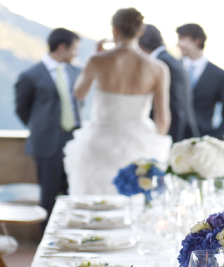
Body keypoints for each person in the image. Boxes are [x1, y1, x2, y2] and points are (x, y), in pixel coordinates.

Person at [63, 8, 172, 195]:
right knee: (136, 200)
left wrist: (95, 57)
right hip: (139, 142)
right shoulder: (158, 68)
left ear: (115, 30)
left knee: (94, 200)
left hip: (99, 142)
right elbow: (162, 117)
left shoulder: (97, 60)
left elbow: (79, 93)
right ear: (141, 31)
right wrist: (154, 145)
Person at [15, 28, 82, 229]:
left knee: (74, 192)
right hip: (46, 143)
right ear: (62, 47)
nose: (76, 53)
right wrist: (42, 128)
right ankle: (46, 242)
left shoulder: (74, 71)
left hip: (73, 141)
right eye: (75, 49)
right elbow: (22, 110)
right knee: (49, 195)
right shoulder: (30, 75)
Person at [139, 24, 199, 143]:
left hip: (170, 136)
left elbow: (176, 107)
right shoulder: (170, 60)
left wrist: (168, 144)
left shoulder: (162, 63)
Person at [176, 23, 224, 140]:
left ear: (197, 41)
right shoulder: (172, 68)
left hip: (203, 138)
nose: (178, 44)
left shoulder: (220, 75)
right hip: (173, 138)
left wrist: (212, 139)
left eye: (182, 39)